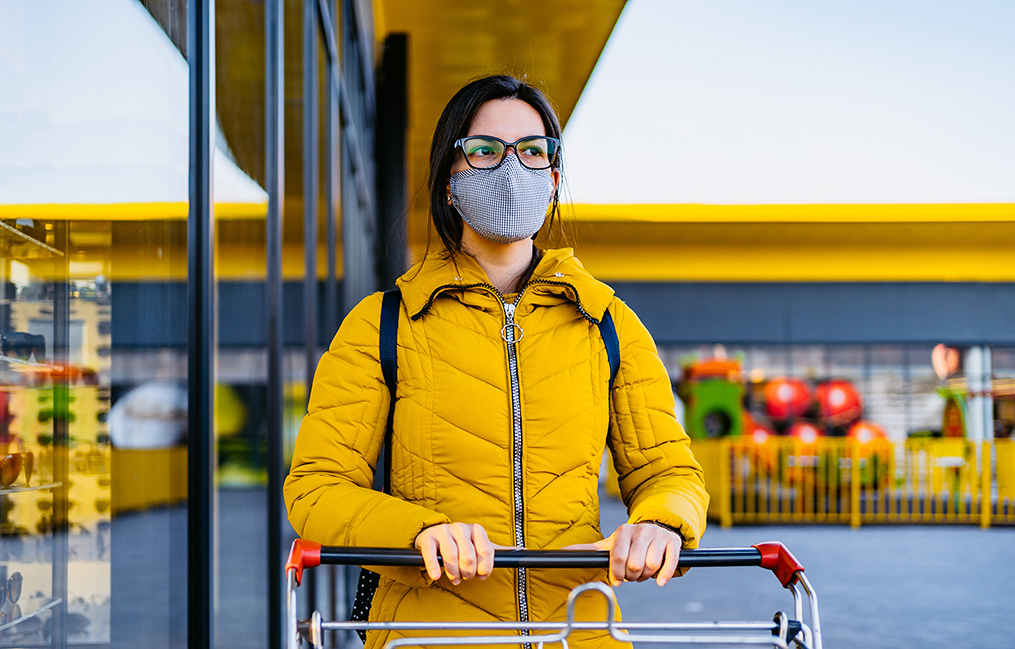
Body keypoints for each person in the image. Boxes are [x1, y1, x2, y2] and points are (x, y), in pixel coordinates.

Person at [284, 74, 708, 649]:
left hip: (578, 631)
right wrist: (420, 533)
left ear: (554, 178)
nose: (513, 168)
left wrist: (662, 523)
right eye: (484, 151)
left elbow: (669, 472)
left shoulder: (609, 325)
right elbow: (316, 488)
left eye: (533, 151)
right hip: (429, 637)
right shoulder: (382, 324)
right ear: (450, 180)